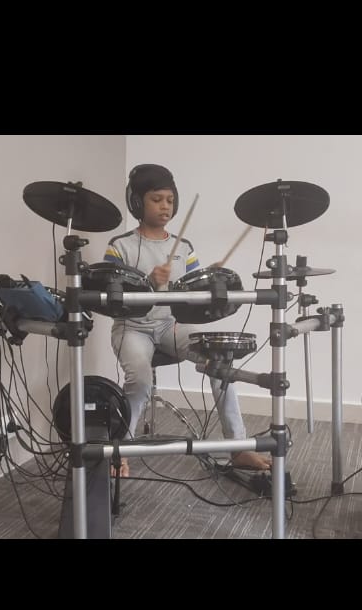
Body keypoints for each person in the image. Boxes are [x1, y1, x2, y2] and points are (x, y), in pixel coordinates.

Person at [104, 163, 271, 478]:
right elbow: (112, 301)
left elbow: (194, 293)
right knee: (140, 378)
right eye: (156, 199)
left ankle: (238, 447)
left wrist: (213, 278)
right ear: (137, 202)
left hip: (171, 324)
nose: (164, 206)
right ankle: (119, 451)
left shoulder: (184, 247)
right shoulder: (119, 246)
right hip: (132, 328)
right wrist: (149, 283)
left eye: (169, 200)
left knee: (221, 361)